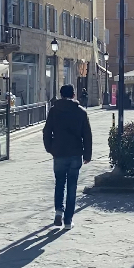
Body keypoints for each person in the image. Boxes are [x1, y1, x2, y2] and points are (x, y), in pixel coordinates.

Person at [43, 85, 92, 230]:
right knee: (72, 186)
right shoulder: (81, 112)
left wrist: (50, 148)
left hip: (58, 152)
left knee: (59, 183)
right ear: (74, 94)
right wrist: (87, 154)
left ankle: (59, 210)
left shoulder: (54, 110)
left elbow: (47, 131)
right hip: (75, 153)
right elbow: (87, 135)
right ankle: (68, 220)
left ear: (60, 94)